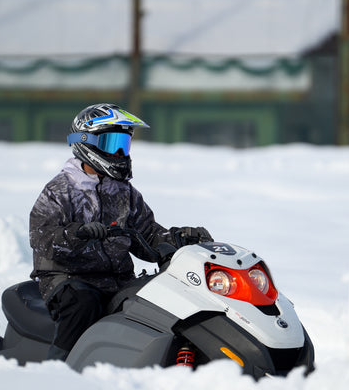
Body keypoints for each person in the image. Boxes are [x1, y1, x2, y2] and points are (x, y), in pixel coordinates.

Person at [29, 103, 212, 360]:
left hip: (118, 281)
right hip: (69, 280)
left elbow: (147, 235)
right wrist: (78, 233)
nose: (118, 152)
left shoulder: (124, 192)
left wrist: (178, 239)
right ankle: (57, 372)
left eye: (123, 145)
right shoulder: (60, 190)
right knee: (83, 304)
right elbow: (42, 238)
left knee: (159, 302)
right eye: (111, 143)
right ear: (87, 143)